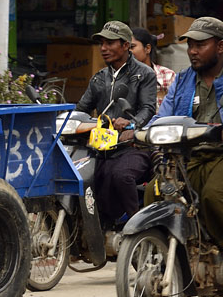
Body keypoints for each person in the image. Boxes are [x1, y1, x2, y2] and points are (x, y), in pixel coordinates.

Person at [146, 16, 223, 242]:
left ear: (220, 46)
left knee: (213, 197)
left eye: (200, 45)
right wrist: (144, 132)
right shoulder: (183, 81)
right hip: (188, 156)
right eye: (190, 45)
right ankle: (165, 254)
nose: (192, 51)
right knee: (155, 191)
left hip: (220, 155)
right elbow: (163, 117)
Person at [75, 21, 157, 225]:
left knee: (120, 175)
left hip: (134, 146)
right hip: (101, 146)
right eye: (102, 43)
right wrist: (74, 122)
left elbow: (148, 108)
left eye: (110, 43)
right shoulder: (99, 78)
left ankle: (137, 226)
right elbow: (81, 109)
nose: (103, 48)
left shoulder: (145, 74)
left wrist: (131, 124)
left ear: (125, 45)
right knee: (85, 178)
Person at [130, 27, 176, 107]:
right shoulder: (122, 78)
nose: (129, 52)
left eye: (132, 47)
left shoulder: (168, 76)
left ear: (147, 48)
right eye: (125, 48)